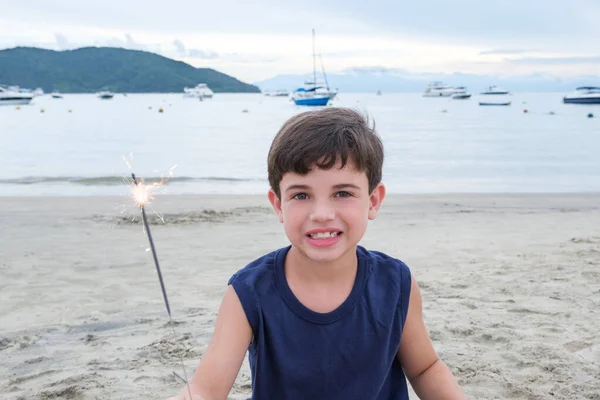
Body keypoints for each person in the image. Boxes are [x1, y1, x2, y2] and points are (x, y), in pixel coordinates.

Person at [168, 108, 466, 399]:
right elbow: (208, 387)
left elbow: (426, 368)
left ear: (373, 201)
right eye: (301, 195)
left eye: (343, 193)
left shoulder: (395, 283)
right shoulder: (249, 291)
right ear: (278, 204)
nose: (322, 214)